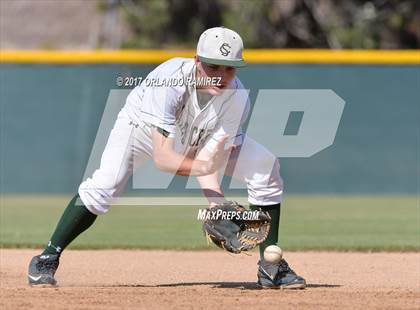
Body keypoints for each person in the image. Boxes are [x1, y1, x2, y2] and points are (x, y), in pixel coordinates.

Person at [28, 27, 306, 289]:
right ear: (197, 61)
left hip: (193, 136)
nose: (220, 75)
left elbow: (208, 157)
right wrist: (205, 173)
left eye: (229, 68)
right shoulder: (170, 81)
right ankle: (46, 258)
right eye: (212, 66)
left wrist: (217, 203)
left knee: (264, 166)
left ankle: (271, 268)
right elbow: (164, 159)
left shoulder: (237, 98)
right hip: (139, 129)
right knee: (105, 185)